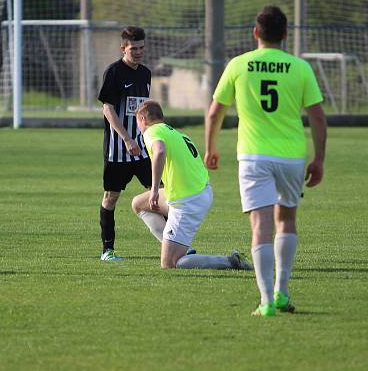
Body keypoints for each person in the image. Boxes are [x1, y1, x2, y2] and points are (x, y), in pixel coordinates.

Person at [205, 6, 328, 317]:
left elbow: (214, 113)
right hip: (290, 157)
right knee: (286, 221)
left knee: (260, 227)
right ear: (285, 35)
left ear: (255, 32)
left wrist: (211, 148)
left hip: (253, 156)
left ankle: (265, 301)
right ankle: (282, 292)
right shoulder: (300, 68)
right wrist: (319, 160)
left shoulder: (238, 65)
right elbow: (317, 118)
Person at [131, 100, 253, 270]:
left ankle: (231, 261)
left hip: (187, 202)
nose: (138, 126)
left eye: (137, 121)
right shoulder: (175, 133)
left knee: (170, 264)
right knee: (138, 204)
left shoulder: (152, 131)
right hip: (200, 191)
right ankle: (173, 244)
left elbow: (159, 151)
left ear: (143, 118)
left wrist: (154, 190)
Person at [96, 26, 152, 261]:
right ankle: (107, 250)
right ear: (123, 48)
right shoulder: (114, 72)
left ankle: (175, 244)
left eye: (141, 48)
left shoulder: (146, 73)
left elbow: (144, 109)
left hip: (142, 149)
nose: (138, 52)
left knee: (161, 193)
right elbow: (107, 108)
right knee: (111, 197)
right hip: (118, 150)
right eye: (133, 48)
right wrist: (126, 138)